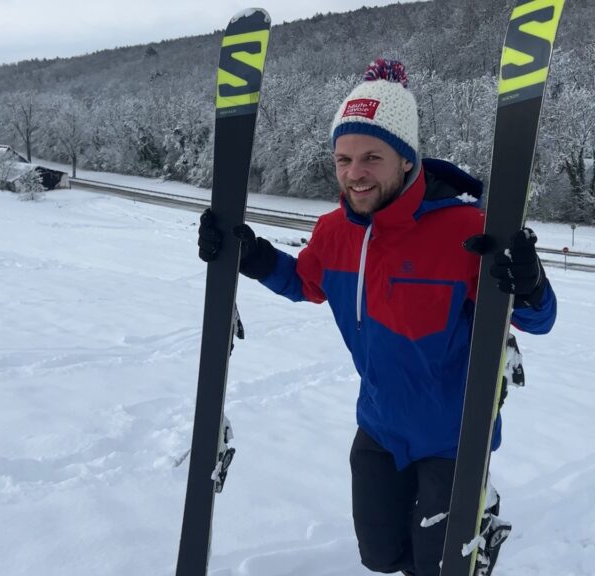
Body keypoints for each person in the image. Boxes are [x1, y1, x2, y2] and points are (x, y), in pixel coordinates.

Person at [197, 58, 557, 576]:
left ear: (406, 160)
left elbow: (539, 319)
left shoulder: (467, 228)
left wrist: (532, 284)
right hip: (379, 425)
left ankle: (480, 531)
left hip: (454, 436)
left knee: (439, 567)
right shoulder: (334, 232)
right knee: (381, 557)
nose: (354, 173)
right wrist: (251, 256)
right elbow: (306, 282)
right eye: (343, 159)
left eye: (371, 157)